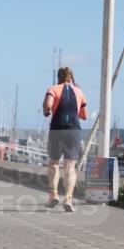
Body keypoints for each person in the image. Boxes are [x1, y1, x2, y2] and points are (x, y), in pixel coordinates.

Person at [42, 67, 87, 212]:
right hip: (73, 131)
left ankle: (54, 194)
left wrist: (46, 111)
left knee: (54, 164)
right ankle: (68, 198)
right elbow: (84, 115)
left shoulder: (53, 89)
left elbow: (48, 105)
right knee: (70, 167)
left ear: (58, 77)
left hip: (57, 129)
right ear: (71, 77)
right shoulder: (79, 92)